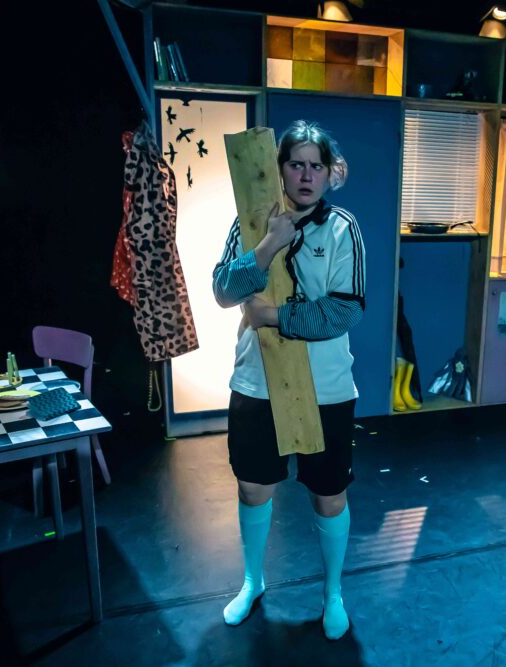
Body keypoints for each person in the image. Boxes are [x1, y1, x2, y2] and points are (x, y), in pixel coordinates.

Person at [212, 120, 365, 640]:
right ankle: (252, 582)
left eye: (315, 166)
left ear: (327, 172)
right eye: (296, 164)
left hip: (327, 388)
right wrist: (267, 246)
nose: (305, 175)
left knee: (329, 494)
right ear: (280, 169)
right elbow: (223, 291)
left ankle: (333, 593)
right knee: (253, 487)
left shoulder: (343, 228)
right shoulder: (249, 222)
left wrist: (274, 316)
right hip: (256, 383)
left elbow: (345, 310)